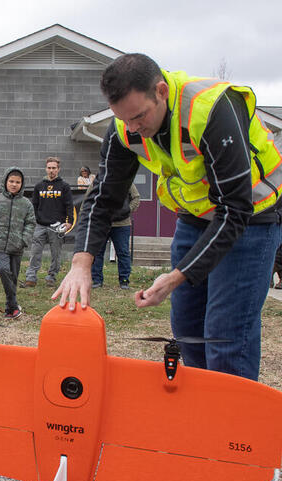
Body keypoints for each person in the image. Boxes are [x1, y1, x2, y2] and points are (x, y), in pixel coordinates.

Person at [54, 53, 282, 382]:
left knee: (225, 335)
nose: (134, 130)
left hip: (250, 221)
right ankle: (204, 413)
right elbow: (103, 198)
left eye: (139, 117)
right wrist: (81, 263)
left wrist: (176, 277)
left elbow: (234, 209)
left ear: (161, 91)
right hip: (194, 219)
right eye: (124, 119)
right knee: (188, 329)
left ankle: (232, 429)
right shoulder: (125, 127)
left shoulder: (211, 109)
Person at [0, 166, 36, 319]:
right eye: (11, 181)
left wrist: (24, 239)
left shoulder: (26, 204)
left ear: (22, 184)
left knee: (13, 277)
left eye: (17, 182)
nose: (14, 184)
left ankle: (10, 308)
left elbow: (31, 223)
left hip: (17, 247)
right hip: (0, 246)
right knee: (4, 271)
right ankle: (14, 305)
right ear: (5, 181)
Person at [23, 156, 74, 287]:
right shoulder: (39, 186)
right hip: (40, 225)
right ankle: (31, 277)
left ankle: (52, 276)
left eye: (54, 168)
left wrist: (69, 222)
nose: (51, 170)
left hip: (57, 226)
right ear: (46, 169)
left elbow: (69, 205)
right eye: (49, 168)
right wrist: (32, 220)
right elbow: (33, 205)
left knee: (56, 253)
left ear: (58, 169)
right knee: (35, 252)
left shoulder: (64, 186)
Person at [90, 183, 140, 290]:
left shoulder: (127, 180)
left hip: (122, 224)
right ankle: (96, 281)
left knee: (123, 253)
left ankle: (124, 281)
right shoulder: (97, 181)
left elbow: (136, 198)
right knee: (97, 253)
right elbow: (88, 199)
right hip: (101, 224)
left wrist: (127, 210)